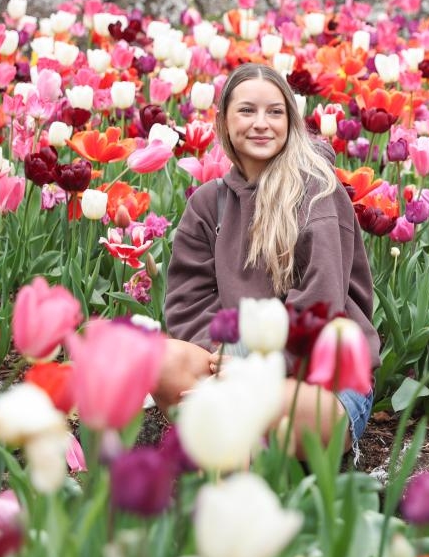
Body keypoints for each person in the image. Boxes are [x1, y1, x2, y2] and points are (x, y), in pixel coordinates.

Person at [157, 62, 380, 455]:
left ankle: (227, 463)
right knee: (161, 360)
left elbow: (321, 305)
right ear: (224, 121)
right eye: (247, 110)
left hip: (323, 382)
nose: (261, 123)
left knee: (253, 405)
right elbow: (188, 301)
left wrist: (255, 366)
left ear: (290, 123)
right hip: (229, 366)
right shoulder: (209, 204)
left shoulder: (318, 194)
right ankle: (235, 448)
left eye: (275, 112)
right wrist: (227, 353)